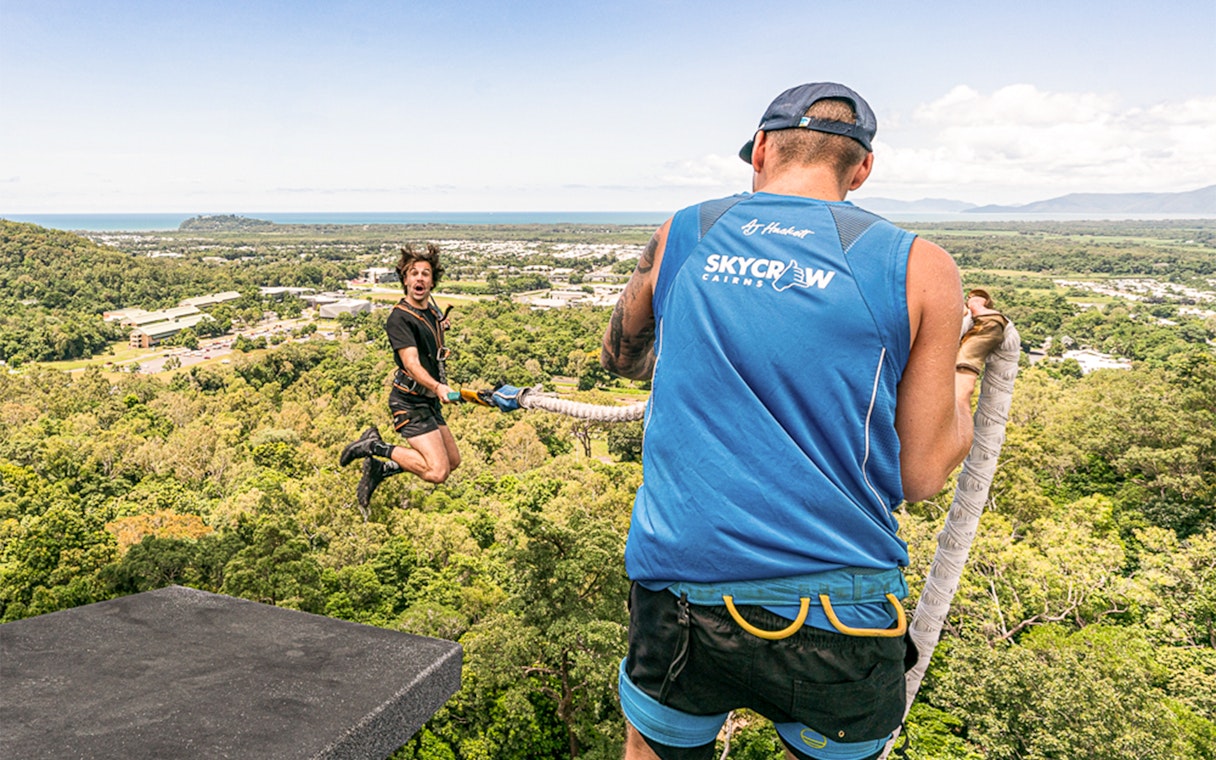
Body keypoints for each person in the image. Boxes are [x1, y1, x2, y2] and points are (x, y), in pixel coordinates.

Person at [601, 83, 1004, 760]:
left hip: (681, 595)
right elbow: (923, 472)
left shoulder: (684, 231)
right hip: (838, 613)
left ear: (759, 150)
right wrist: (967, 366)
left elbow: (622, 356)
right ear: (863, 168)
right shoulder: (922, 267)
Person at [339, 243, 461, 512]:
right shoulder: (399, 319)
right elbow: (412, 364)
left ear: (432, 282)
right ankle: (373, 446)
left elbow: (429, 329)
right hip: (410, 402)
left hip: (428, 402)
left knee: (452, 461)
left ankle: (383, 468)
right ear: (404, 280)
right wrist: (438, 386)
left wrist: (438, 327)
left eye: (425, 274)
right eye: (413, 273)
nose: (419, 278)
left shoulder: (431, 312)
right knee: (437, 472)